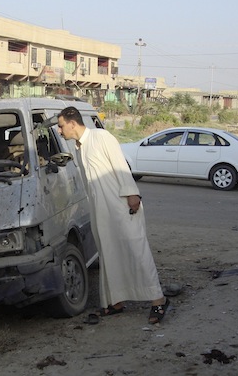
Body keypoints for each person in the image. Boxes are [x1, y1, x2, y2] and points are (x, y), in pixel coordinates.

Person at [56, 106, 169, 324]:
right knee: (109, 253)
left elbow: (120, 166)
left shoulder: (101, 136)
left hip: (121, 204)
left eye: (61, 127)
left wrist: (132, 194)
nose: (60, 132)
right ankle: (116, 302)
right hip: (101, 210)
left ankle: (159, 300)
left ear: (72, 123)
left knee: (136, 249)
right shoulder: (79, 148)